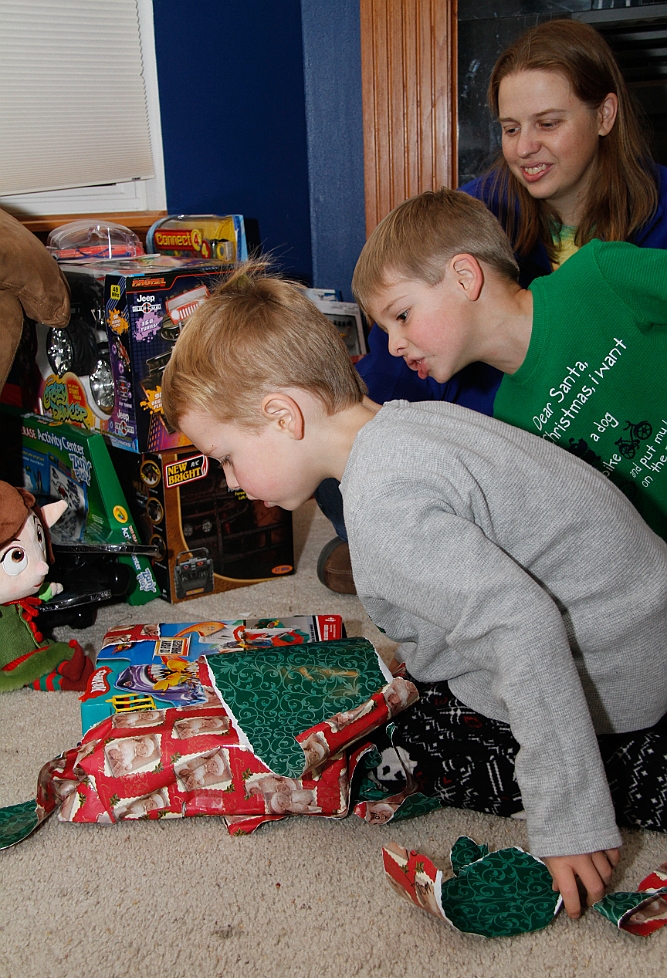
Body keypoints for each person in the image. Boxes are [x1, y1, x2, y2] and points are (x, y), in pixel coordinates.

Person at [161, 269, 667, 920]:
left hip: (619, 676)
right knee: (419, 688)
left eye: (226, 456)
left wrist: (569, 815)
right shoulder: (410, 425)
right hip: (642, 618)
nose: (230, 481)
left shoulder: (381, 503)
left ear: (282, 415)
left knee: (412, 749)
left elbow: (519, 624)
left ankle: (636, 771)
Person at [317, 18, 667, 592]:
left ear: (604, 115)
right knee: (342, 465)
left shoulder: (624, 251)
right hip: (509, 436)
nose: (524, 147)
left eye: (548, 123)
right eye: (509, 128)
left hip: (621, 452)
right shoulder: (478, 212)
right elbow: (396, 356)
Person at [352, 187, 667, 542]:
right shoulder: (510, 418)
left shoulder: (598, 277)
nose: (393, 346)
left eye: (402, 316)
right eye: (386, 330)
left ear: (464, 278)